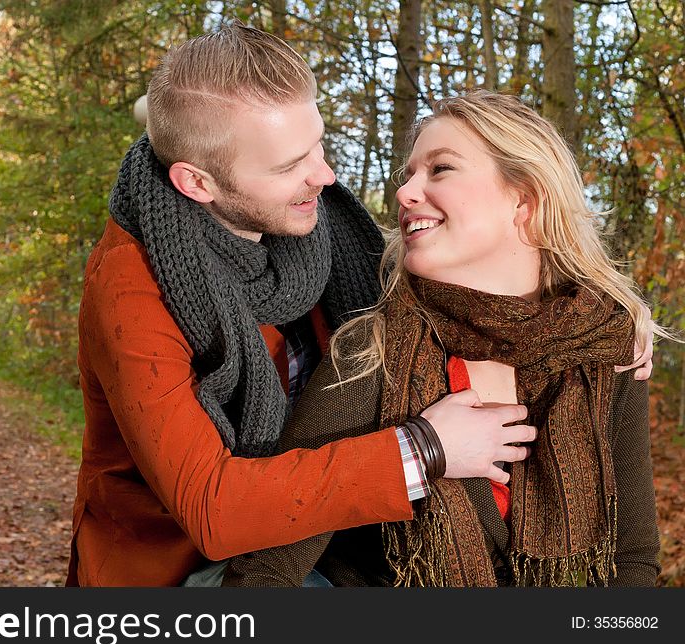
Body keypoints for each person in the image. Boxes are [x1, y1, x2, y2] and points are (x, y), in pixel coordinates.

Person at [67, 23, 652, 587]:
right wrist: (424, 449)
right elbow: (214, 510)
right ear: (197, 184)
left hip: (322, 532)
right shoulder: (132, 287)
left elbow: (466, 272)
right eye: (289, 165)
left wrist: (610, 313)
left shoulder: (327, 235)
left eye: (316, 144)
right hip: (180, 567)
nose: (325, 174)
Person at [222, 90, 666, 587]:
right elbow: (267, 565)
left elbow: (631, 561)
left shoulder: (606, 349)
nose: (406, 193)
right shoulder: (374, 351)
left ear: (524, 199)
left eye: (440, 169)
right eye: (409, 175)